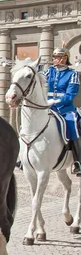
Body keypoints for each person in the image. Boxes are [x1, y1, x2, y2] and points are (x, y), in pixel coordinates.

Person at [44, 44, 81, 176]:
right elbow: (39, 81)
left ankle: (78, 162)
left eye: (57, 57)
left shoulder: (72, 74)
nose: (54, 59)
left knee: (73, 125)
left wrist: (56, 101)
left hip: (65, 108)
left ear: (64, 59)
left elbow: (71, 94)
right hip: (47, 107)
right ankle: (23, 157)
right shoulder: (49, 71)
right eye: (54, 57)